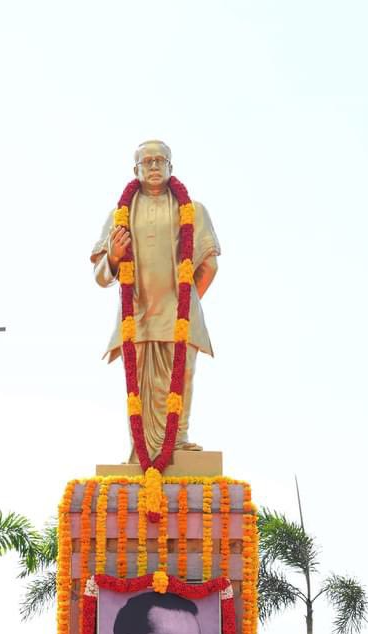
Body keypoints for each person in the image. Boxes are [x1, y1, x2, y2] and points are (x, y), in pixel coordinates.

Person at [91, 140, 220, 462]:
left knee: (181, 378)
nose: (153, 166)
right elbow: (101, 275)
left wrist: (186, 304)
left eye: (160, 160)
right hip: (138, 315)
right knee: (142, 389)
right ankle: (142, 450)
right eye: (146, 161)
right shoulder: (119, 215)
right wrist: (114, 256)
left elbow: (209, 264)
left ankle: (178, 441)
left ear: (171, 167)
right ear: (135, 170)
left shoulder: (193, 211)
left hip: (179, 315)